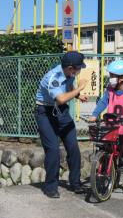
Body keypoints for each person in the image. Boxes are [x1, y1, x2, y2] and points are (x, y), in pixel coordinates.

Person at [35, 51, 88, 198]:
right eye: (78, 68)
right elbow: (61, 98)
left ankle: (75, 183)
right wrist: (80, 88)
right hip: (45, 112)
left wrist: (78, 95)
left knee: (73, 147)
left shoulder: (69, 74)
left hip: (62, 113)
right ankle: (50, 187)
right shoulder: (53, 77)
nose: (79, 71)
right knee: (53, 149)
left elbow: (68, 88)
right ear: (71, 68)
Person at [89, 60, 123, 194]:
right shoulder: (109, 90)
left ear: (122, 77)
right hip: (110, 129)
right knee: (107, 151)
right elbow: (102, 102)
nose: (110, 78)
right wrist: (95, 114)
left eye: (113, 75)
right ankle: (112, 177)